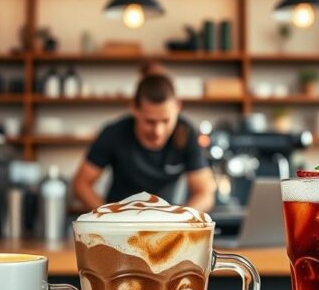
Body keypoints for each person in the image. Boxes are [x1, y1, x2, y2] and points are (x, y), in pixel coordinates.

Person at [72, 68, 216, 211]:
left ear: (178, 107)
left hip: (165, 222)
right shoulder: (114, 133)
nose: (158, 131)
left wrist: (181, 219)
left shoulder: (186, 134)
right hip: (121, 223)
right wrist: (109, 216)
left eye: (166, 121)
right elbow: (81, 185)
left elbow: (204, 193)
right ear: (134, 108)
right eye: (150, 122)